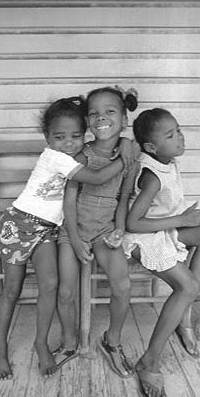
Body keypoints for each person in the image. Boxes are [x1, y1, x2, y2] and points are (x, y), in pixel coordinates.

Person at [0, 96, 136, 381]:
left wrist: (126, 143)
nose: (68, 142)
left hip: (47, 230)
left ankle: (41, 343)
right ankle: (0, 348)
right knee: (11, 289)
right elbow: (95, 179)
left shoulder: (78, 156)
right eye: (59, 137)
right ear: (46, 138)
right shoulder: (54, 157)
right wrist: (126, 157)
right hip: (18, 225)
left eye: (75, 136)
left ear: (85, 134)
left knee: (50, 285)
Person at [123, 108, 200, 397]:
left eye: (178, 130)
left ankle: (181, 314)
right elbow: (132, 223)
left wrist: (186, 220)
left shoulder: (168, 161)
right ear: (151, 148)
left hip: (164, 227)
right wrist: (182, 218)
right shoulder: (150, 175)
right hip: (143, 237)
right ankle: (149, 362)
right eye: (170, 135)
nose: (180, 137)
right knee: (189, 287)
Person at [57, 87, 140, 378]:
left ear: (124, 119)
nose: (100, 118)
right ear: (88, 122)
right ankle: (70, 342)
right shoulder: (81, 156)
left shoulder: (130, 159)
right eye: (93, 113)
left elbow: (124, 198)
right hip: (72, 229)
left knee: (123, 285)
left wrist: (118, 229)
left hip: (105, 229)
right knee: (66, 291)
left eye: (110, 111)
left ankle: (112, 341)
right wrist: (77, 240)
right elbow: (68, 201)